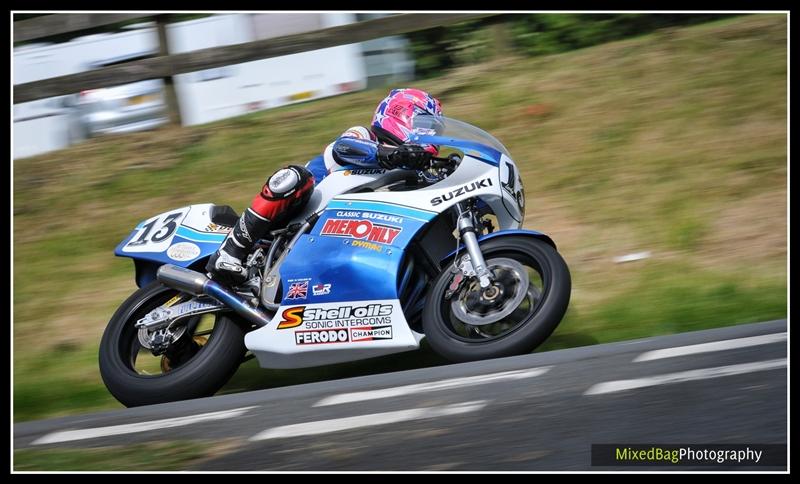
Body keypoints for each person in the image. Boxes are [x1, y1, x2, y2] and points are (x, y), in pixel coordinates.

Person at [206, 88, 443, 285]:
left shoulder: (413, 172)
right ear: (400, 114)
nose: (432, 133)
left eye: (436, 129)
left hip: (343, 240)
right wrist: (391, 155)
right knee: (293, 177)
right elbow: (343, 147)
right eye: (426, 124)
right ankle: (231, 251)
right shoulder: (364, 135)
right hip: (298, 217)